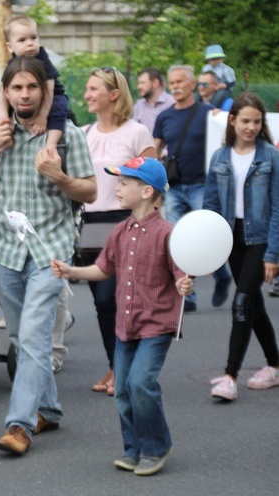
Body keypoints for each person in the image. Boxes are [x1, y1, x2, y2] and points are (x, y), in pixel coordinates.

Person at [0, 56, 96, 456]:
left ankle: (19, 426)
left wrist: (59, 176)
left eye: (32, 87)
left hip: (50, 251)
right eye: (17, 88)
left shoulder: (66, 135)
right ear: (6, 92)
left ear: (44, 91)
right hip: (6, 251)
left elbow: (90, 192)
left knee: (35, 336)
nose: (25, 94)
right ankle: (49, 409)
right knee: (26, 340)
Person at [52, 157, 193, 476]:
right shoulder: (119, 232)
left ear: (146, 191)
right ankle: (134, 449)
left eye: (124, 183)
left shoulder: (168, 234)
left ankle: (156, 447)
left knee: (141, 383)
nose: (117, 187)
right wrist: (71, 270)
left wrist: (185, 283)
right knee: (124, 390)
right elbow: (104, 268)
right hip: (125, 325)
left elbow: (182, 273)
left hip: (157, 324)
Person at [82, 67, 157, 395]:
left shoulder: (137, 132)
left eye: (93, 88)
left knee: (120, 299)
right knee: (102, 303)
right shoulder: (84, 133)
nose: (87, 94)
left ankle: (126, 368)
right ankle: (117, 366)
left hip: (126, 223)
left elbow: (154, 184)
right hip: (91, 224)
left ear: (114, 94)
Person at [203, 93, 279, 401]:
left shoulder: (270, 157)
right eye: (245, 120)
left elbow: (277, 208)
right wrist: (208, 246)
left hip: (259, 239)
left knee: (242, 303)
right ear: (232, 120)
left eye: (257, 122)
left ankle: (229, 376)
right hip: (230, 238)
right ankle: (274, 365)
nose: (251, 127)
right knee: (253, 305)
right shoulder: (220, 157)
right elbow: (209, 204)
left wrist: (273, 254)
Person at [153, 65, 232, 313]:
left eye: (180, 82)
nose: (175, 86)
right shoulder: (164, 117)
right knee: (179, 242)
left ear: (192, 84)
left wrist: (223, 118)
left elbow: (227, 137)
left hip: (202, 186)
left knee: (207, 240)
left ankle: (222, 276)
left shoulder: (209, 113)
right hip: (174, 188)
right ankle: (189, 296)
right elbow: (154, 152)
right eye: (171, 82)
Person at [0, 15, 69, 155]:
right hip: (30, 99)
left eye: (34, 38)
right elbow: (3, 94)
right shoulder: (12, 65)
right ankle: (6, 139)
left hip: (52, 95)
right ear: (10, 47)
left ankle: (51, 144)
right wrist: (3, 120)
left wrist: (42, 116)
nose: (30, 43)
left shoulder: (42, 59)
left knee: (59, 108)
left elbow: (49, 90)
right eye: (22, 40)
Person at [132, 68, 175, 134]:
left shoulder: (172, 103)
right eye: (138, 83)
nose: (139, 87)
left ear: (155, 83)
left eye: (142, 83)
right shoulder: (139, 106)